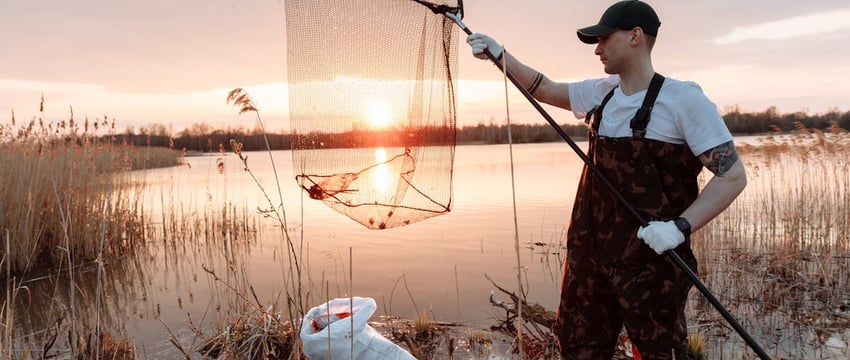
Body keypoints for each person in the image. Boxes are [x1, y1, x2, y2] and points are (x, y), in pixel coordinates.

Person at [466, 1, 747, 359]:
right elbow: (544, 87)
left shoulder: (683, 100)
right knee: (578, 346)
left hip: (651, 262)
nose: (597, 49)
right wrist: (500, 54)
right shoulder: (603, 93)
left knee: (658, 351)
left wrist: (679, 227)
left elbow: (733, 176)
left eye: (603, 38)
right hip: (589, 258)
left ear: (635, 37)